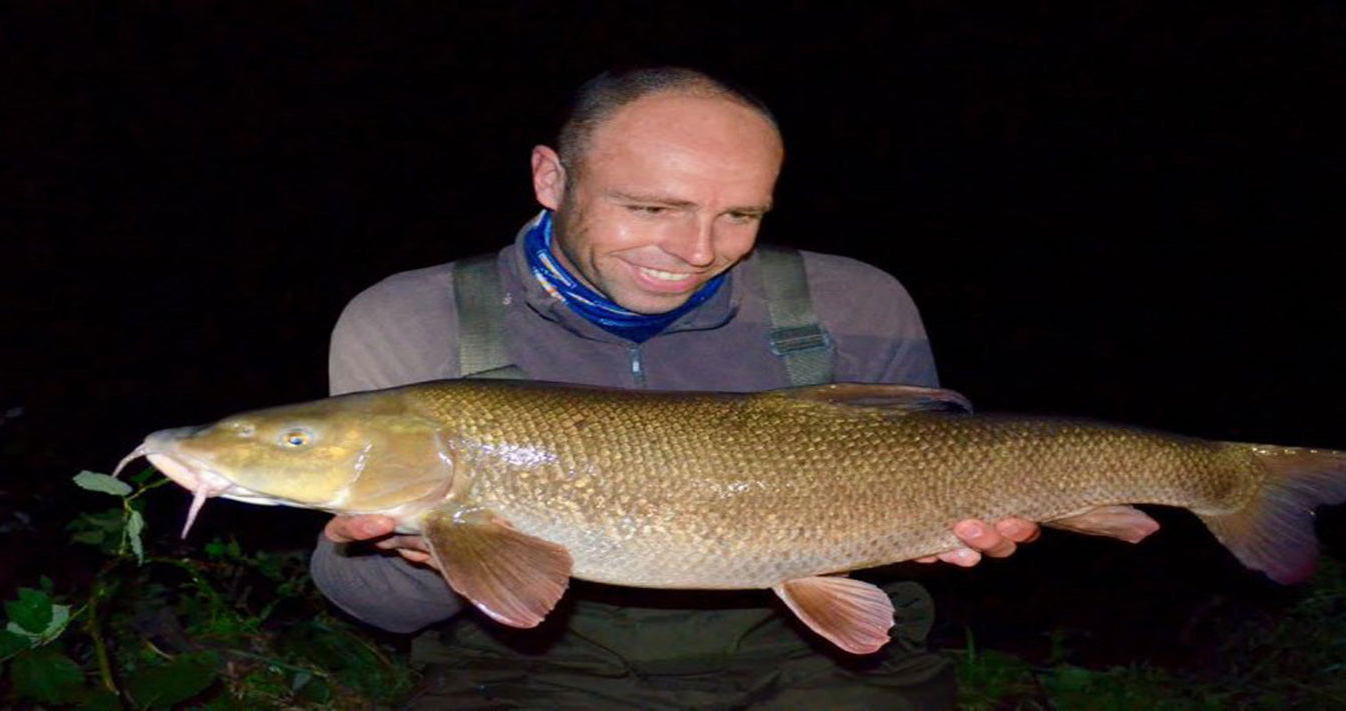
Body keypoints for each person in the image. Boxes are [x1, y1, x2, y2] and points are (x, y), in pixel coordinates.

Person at [311, 67, 1041, 709]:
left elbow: (925, 485)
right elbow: (377, 608)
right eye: (652, 208)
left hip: (814, 663)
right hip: (532, 669)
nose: (697, 251)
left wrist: (927, 534)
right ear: (551, 177)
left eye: (740, 215)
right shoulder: (410, 320)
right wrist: (426, 559)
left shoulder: (855, 304)